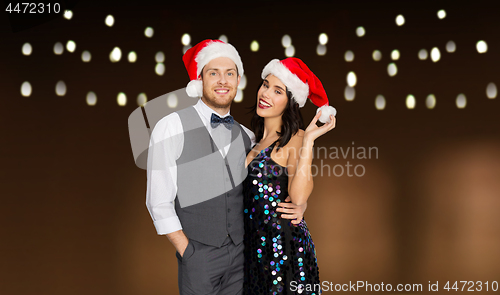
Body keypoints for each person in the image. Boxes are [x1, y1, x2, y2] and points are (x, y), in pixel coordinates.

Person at [145, 40, 307, 295]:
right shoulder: (171, 126)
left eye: (229, 73)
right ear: (200, 80)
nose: (222, 81)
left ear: (238, 80)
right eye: (213, 73)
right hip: (199, 257)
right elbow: (158, 200)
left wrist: (300, 204)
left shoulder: (248, 137)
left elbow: (268, 185)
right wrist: (188, 251)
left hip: (245, 257)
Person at [243, 57, 336, 294]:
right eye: (265, 85)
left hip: (282, 250)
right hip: (252, 249)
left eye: (277, 91)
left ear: (290, 101)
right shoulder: (250, 140)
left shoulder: (296, 138)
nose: (266, 94)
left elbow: (297, 197)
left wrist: (309, 141)